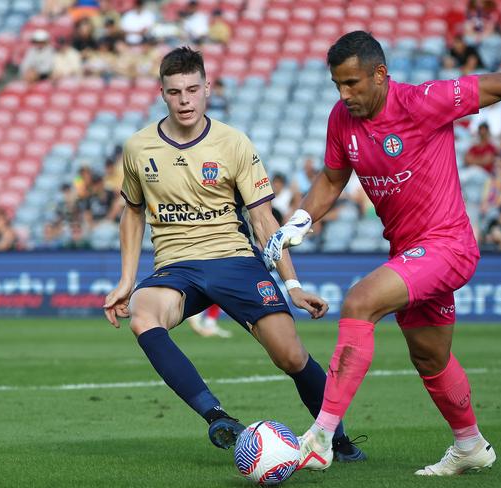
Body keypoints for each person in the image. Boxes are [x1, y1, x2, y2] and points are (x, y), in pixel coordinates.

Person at [264, 30, 501, 475]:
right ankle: (470, 445)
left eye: (353, 83)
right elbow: (333, 178)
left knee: (360, 301)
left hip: (447, 245)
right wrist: (301, 220)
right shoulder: (341, 118)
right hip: (408, 253)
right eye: (337, 85)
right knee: (430, 356)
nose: (344, 94)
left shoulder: (422, 101)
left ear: (380, 74)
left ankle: (320, 436)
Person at [102, 47, 365, 461]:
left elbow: (263, 221)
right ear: (162, 94)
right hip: (176, 267)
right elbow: (132, 214)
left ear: (207, 88)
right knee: (143, 313)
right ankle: (217, 417)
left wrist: (292, 284)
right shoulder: (138, 148)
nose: (185, 100)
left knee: (291, 355)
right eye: (175, 92)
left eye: (192, 89)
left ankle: (336, 438)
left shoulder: (234, 143)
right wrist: (125, 280)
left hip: (234, 259)